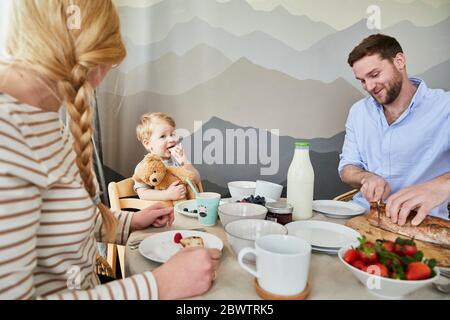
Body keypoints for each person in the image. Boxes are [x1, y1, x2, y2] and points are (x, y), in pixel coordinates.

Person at [0, 0, 220, 300]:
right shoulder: (8, 136)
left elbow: (64, 225)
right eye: (112, 62)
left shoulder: (46, 122)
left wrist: (127, 221)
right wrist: (159, 286)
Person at [339, 33, 450, 226]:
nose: (369, 86)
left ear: (399, 61)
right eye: (362, 80)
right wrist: (366, 177)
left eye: (374, 75)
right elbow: (347, 168)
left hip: (422, 225)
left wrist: (441, 186)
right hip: (365, 218)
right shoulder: (359, 112)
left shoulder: (445, 107)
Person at [134, 112, 201, 201]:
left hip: (185, 207)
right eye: (163, 136)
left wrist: (185, 162)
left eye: (172, 134)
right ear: (148, 144)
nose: (172, 139)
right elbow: (143, 193)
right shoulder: (145, 166)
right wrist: (167, 194)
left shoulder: (177, 160)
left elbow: (196, 180)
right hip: (163, 211)